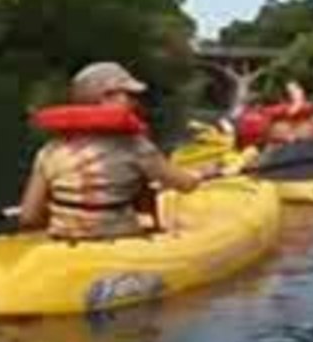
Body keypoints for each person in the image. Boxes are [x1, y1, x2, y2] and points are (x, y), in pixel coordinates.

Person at [18, 62, 214, 240]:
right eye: (128, 95)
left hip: (61, 239)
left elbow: (28, 217)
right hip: (118, 240)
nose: (134, 102)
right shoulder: (136, 146)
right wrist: (202, 173)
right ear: (107, 96)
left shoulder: (51, 149)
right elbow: (185, 185)